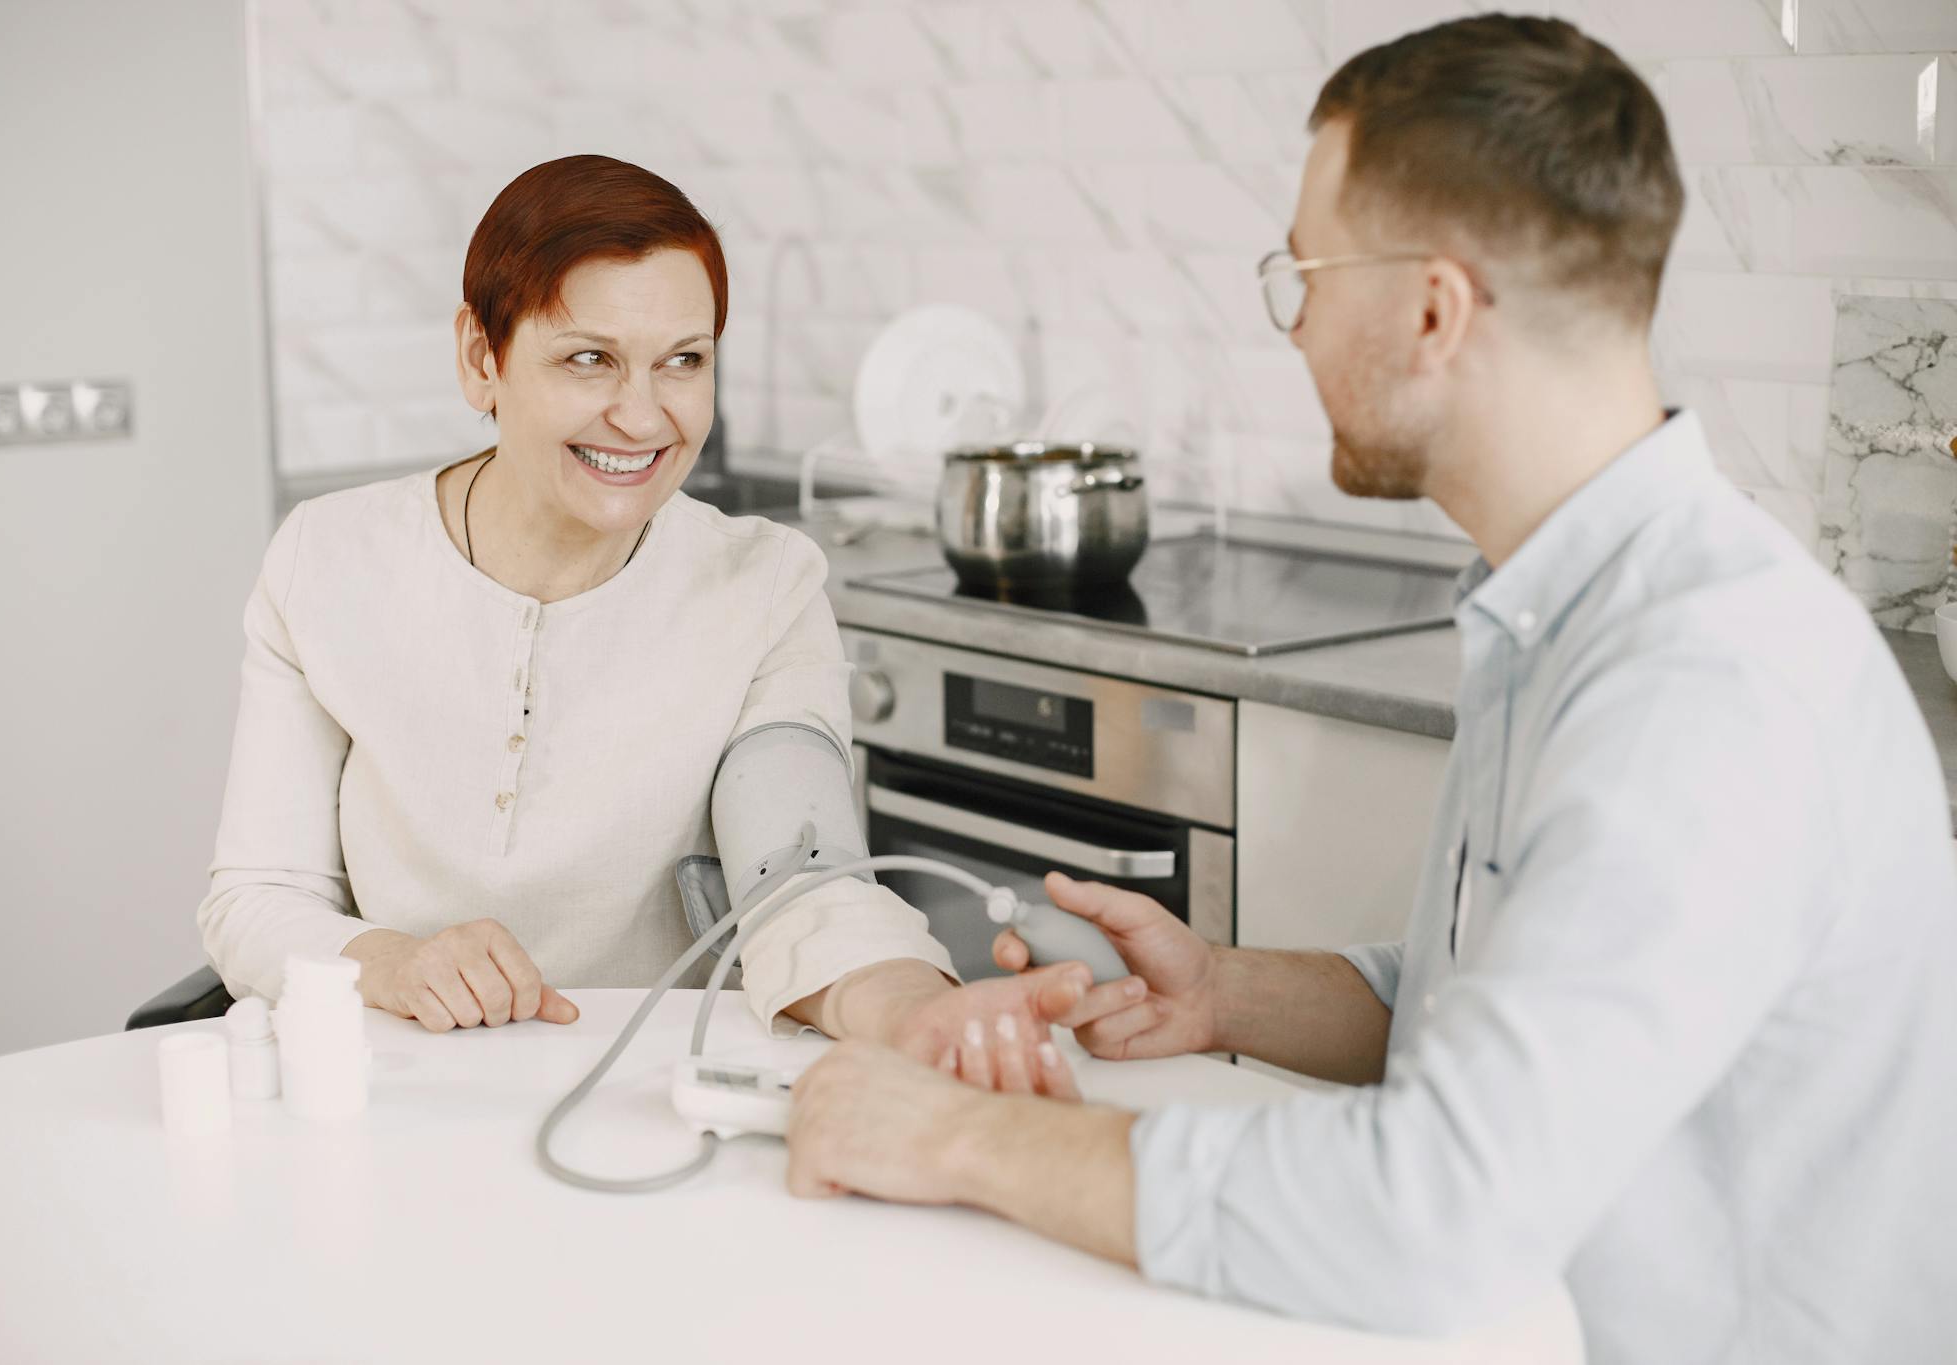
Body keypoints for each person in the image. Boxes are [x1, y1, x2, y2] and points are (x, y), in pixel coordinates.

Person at [781, 17, 1957, 1363]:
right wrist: (1223, 994)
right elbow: (1499, 1004)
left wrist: (964, 1137)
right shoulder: (1560, 607)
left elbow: (1434, 1211)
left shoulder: (1703, 689)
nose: (1293, 324)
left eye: (1307, 274)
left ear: (1435, 310)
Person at [197, 155, 1090, 1091]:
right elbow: (259, 898)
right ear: (480, 359)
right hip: (391, 1093)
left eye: (684, 362)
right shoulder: (328, 561)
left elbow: (803, 882)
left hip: (655, 1105)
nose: (642, 414)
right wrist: (391, 961)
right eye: (589, 358)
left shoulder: (764, 587)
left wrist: (915, 1009)